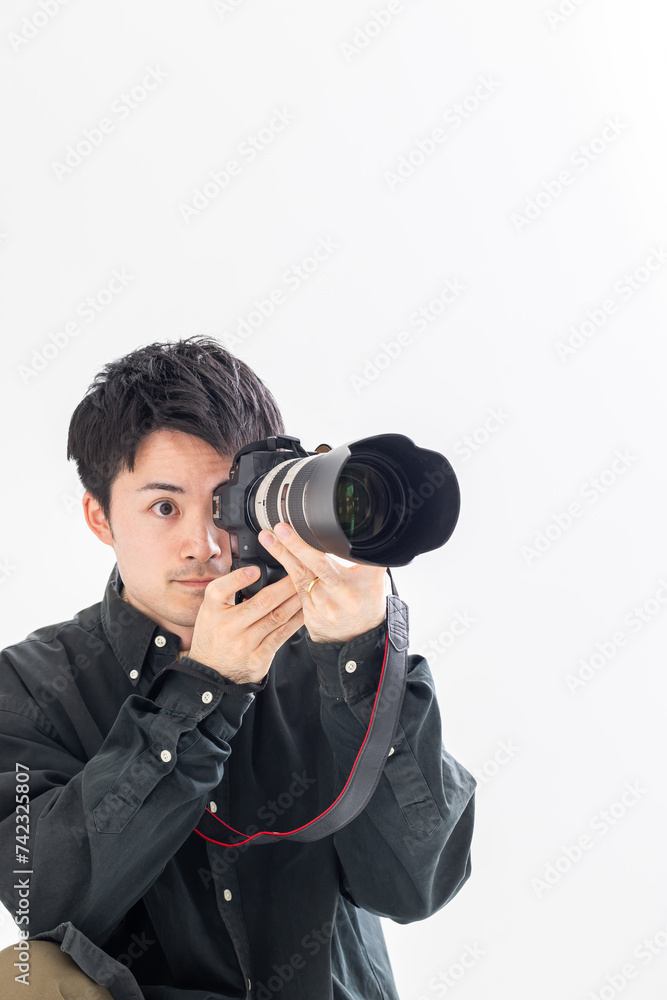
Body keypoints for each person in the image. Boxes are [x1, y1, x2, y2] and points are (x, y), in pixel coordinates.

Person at [0, 337, 476, 999]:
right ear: (99, 517)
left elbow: (414, 890)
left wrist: (363, 662)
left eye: (227, 504)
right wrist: (204, 688)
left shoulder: (330, 654)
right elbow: (41, 893)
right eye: (164, 507)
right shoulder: (29, 685)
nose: (205, 544)